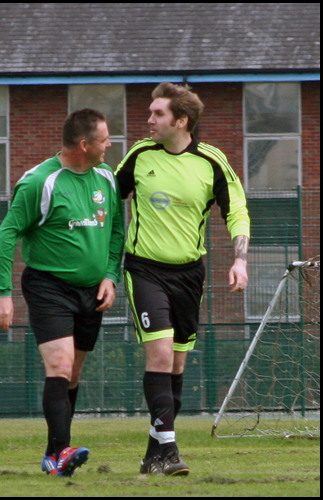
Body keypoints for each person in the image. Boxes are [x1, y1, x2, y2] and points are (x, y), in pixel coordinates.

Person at [115, 82, 250, 476]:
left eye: (158, 113)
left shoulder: (211, 161)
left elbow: (237, 211)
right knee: (159, 355)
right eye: (150, 112)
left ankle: (152, 457)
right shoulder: (140, 155)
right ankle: (171, 452)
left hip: (190, 274)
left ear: (182, 120)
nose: (149, 120)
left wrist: (240, 260)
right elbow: (104, 195)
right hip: (144, 270)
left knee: (175, 365)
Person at [0, 109, 124, 477]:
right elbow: (7, 234)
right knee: (60, 367)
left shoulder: (106, 178)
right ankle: (63, 452)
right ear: (84, 145)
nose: (110, 145)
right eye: (104, 139)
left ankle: (54, 454)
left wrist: (110, 276)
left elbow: (116, 230)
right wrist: (2, 293)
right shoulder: (40, 182)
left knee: (73, 374)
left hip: (91, 293)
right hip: (49, 287)